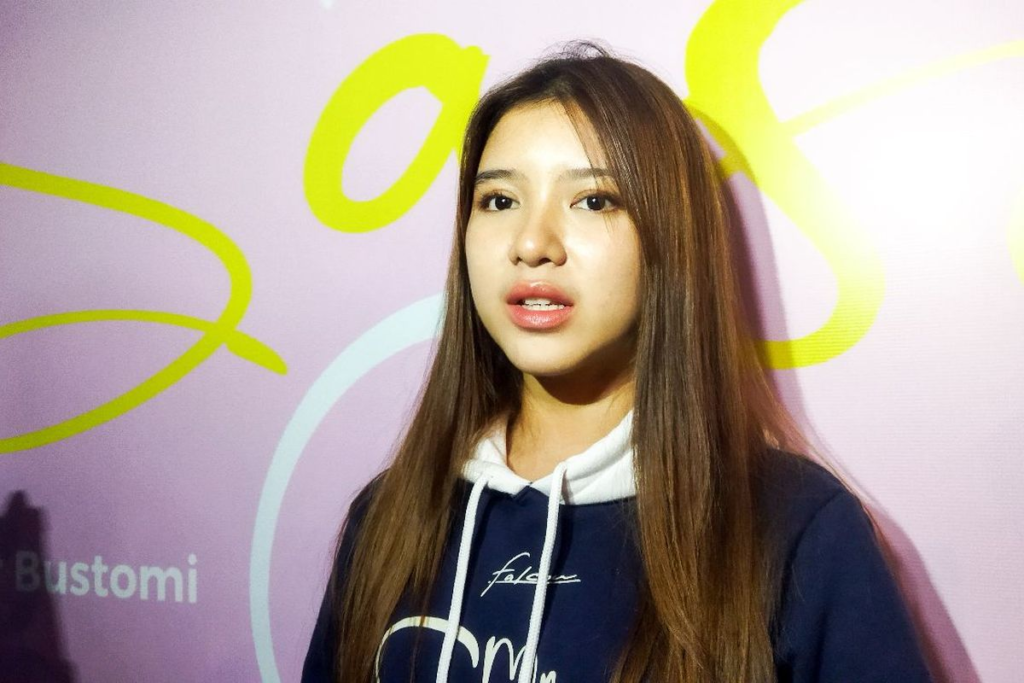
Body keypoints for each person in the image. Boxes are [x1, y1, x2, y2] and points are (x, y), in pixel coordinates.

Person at [301, 41, 934, 683]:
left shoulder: (796, 528)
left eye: (594, 200)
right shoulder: (388, 518)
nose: (532, 243)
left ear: (669, 236)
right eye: (499, 200)